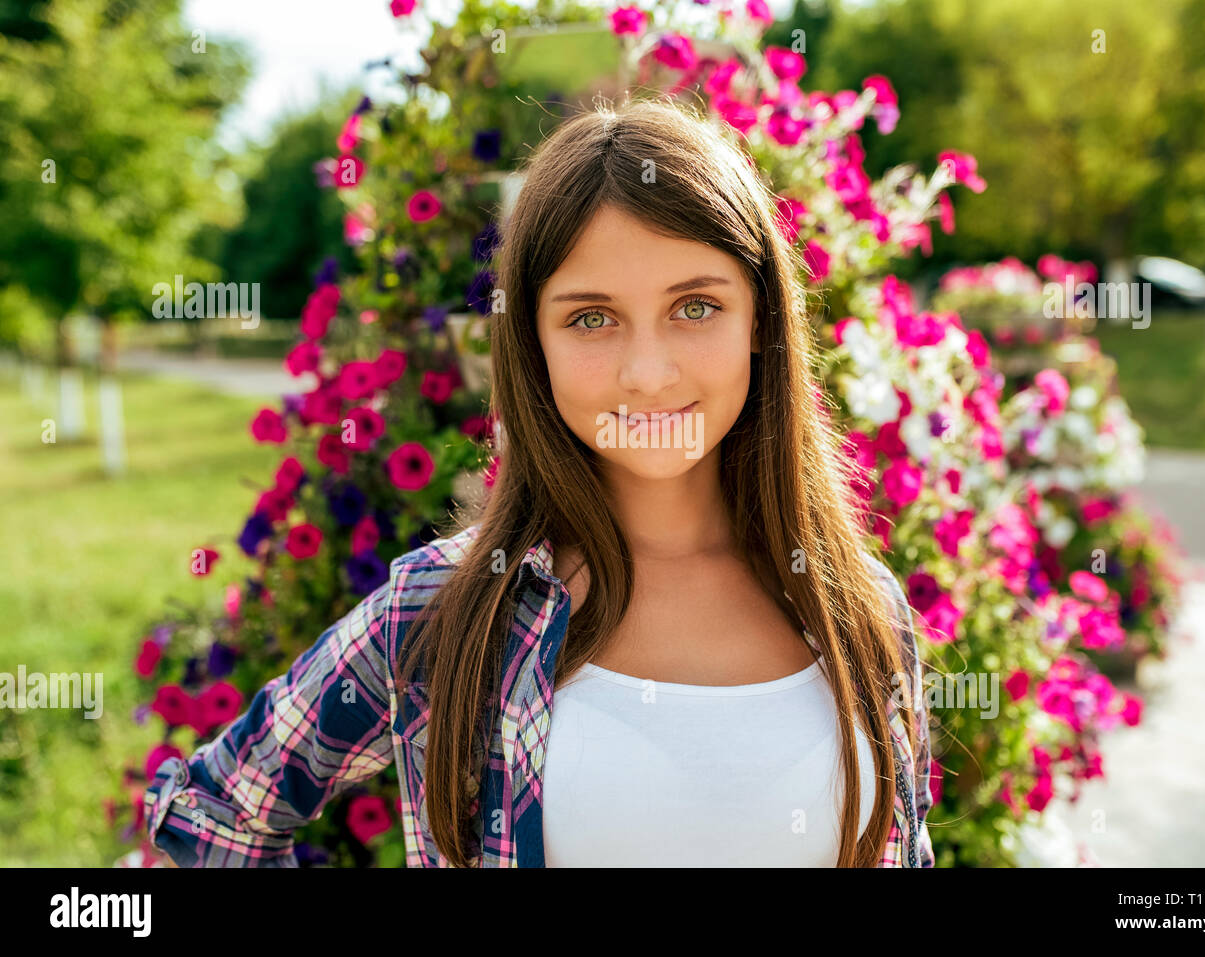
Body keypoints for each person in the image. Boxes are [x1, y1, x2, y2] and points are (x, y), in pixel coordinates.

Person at [144, 94, 935, 868]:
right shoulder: (447, 611)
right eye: (591, 317)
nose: (649, 372)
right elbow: (213, 817)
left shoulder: (862, 611)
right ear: (533, 344)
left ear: (761, 319)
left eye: (695, 306)